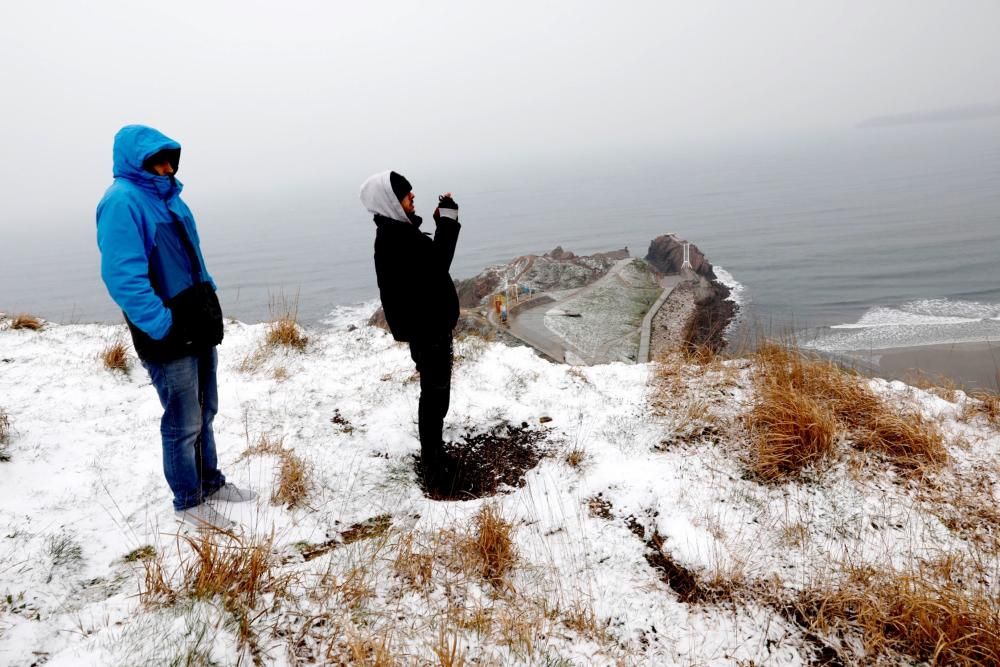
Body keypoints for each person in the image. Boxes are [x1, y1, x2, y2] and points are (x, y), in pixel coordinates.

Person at [96, 125, 254, 529]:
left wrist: (209, 298)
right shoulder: (122, 202)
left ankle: (210, 482)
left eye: (170, 159)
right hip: (168, 332)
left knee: (206, 410)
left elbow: (193, 259)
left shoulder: (171, 199)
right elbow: (122, 277)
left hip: (196, 322)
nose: (167, 167)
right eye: (157, 160)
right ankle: (188, 501)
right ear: (138, 162)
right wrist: (161, 324)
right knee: (183, 420)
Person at [361, 170, 461, 485]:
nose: (412, 197)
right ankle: (434, 466)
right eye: (406, 195)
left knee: (436, 393)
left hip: (428, 326)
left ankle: (435, 455)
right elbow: (437, 262)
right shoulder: (396, 238)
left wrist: (440, 222)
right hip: (426, 329)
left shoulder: (397, 233)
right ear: (392, 201)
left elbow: (428, 261)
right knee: (434, 395)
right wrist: (447, 221)